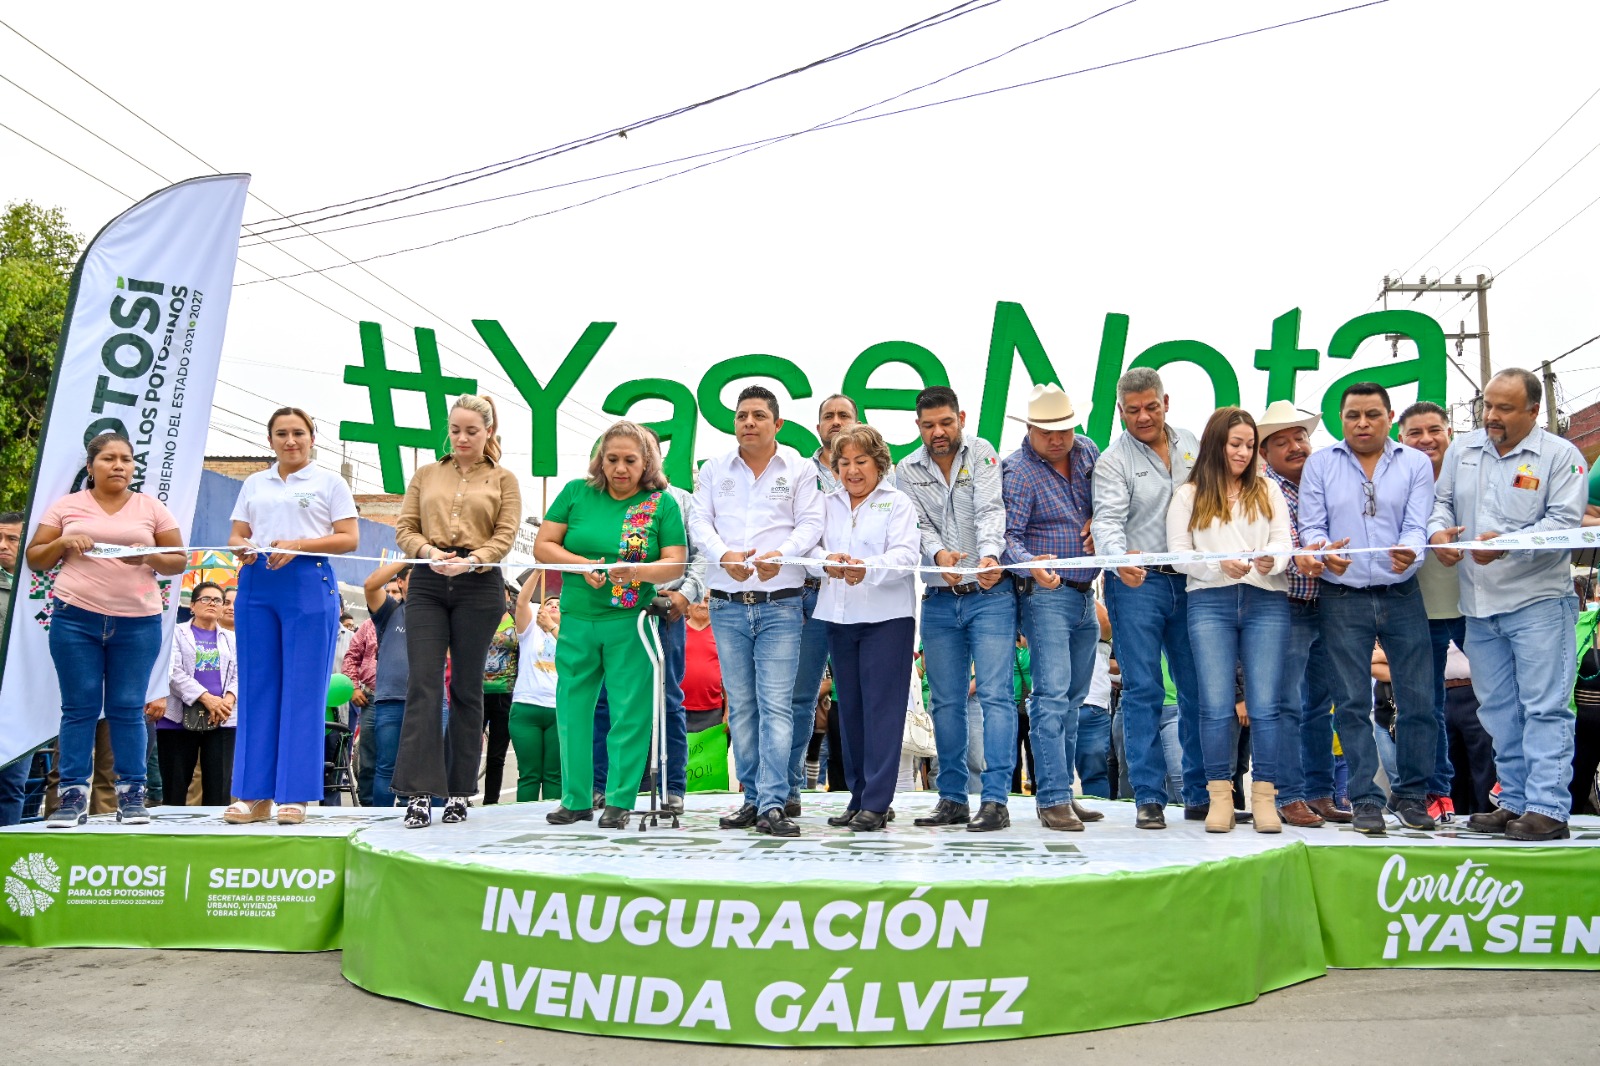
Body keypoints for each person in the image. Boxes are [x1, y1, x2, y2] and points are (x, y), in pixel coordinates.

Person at [1429, 368, 1586, 840]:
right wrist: (1438, 533)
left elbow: (1564, 524)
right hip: (1478, 606)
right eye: (1488, 405)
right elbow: (1442, 504)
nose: (1491, 416)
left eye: (1505, 408)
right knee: (1498, 711)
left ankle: (1548, 808)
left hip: (1539, 602)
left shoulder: (1560, 456)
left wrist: (1507, 545)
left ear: (1534, 411)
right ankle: (1514, 800)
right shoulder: (1463, 450)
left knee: (1544, 707)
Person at [1299, 382, 1438, 836]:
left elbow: (1417, 525)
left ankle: (1412, 796)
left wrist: (1410, 552)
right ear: (1341, 420)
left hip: (1401, 591)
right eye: (1353, 415)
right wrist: (1324, 552)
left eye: (1372, 414)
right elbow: (1311, 526)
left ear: (1390, 418)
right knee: (1351, 703)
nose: (1362, 423)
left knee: (1418, 699)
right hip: (1342, 594)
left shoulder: (1414, 462)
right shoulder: (1321, 463)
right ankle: (1364, 800)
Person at [27, 431, 186, 828]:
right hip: (74, 619)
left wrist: (147, 555)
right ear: (90, 466)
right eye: (108, 459)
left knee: (127, 707)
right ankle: (71, 797)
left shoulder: (151, 507)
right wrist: (63, 541)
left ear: (133, 467)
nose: (118, 466)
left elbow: (178, 560)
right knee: (78, 708)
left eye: (125, 460)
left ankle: (131, 795)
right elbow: (35, 558)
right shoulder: (67, 506)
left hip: (138, 623)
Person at [536, 420, 686, 828]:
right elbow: (543, 545)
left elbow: (675, 562)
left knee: (629, 714)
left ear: (646, 463)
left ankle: (619, 800)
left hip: (631, 622)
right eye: (612, 459)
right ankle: (575, 799)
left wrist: (636, 572)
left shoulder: (660, 504)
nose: (620, 468)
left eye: (630, 460)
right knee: (572, 710)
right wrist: (581, 565)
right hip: (576, 620)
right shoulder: (575, 493)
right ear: (600, 460)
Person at [687, 386, 823, 836]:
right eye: (742, 415)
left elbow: (812, 523)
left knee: (776, 706)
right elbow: (699, 521)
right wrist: (723, 554)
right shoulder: (714, 469)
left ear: (777, 424)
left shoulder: (799, 469)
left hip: (781, 604)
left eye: (759, 415)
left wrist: (782, 555)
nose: (749, 422)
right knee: (743, 707)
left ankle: (773, 802)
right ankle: (751, 799)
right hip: (726, 604)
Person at [391, 394, 521, 828]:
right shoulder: (426, 475)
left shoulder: (503, 479)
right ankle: (417, 793)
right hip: (428, 580)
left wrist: (474, 559)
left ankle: (460, 791)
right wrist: (428, 551)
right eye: (455, 430)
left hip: (479, 583)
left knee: (467, 687)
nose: (462, 438)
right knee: (423, 685)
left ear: (488, 432)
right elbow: (405, 528)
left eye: (471, 431)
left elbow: (505, 535)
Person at [226, 407, 359, 826]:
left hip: (307, 582)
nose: (290, 441)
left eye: (298, 433)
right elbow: (237, 533)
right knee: (257, 687)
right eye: (281, 433)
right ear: (270, 440)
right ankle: (252, 794)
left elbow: (349, 538)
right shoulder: (254, 482)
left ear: (312, 438)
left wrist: (299, 544)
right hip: (257, 583)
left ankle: (295, 794)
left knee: (303, 690)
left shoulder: (329, 482)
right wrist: (241, 546)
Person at [1166, 407, 1292, 833]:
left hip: (1266, 598)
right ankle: (1220, 796)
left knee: (1266, 705)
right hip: (1209, 601)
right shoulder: (1188, 494)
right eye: (1235, 443)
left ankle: (1265, 797)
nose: (1243, 452)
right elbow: (1178, 554)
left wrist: (1270, 560)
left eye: (1250, 445)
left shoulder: (1268, 489)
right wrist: (1217, 565)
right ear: (1215, 444)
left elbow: (1283, 543)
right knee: (1216, 704)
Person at [900, 386, 1017, 832]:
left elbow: (991, 510)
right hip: (939, 601)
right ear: (918, 427)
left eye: (946, 422)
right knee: (945, 701)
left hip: (990, 596)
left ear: (961, 419)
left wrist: (988, 557)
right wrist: (938, 556)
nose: (938, 432)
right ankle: (951, 798)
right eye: (929, 425)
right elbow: (917, 525)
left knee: (995, 696)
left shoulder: (982, 453)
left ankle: (995, 800)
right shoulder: (906, 469)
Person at [1092, 368, 1203, 829]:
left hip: (1194, 581)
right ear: (1121, 411)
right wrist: (1118, 560)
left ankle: (1202, 795)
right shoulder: (1112, 461)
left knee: (1198, 689)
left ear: (1166, 403)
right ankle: (1149, 798)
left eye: (1151, 407)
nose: (1143, 417)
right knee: (1144, 690)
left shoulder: (1192, 443)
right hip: (1137, 583)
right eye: (1133, 410)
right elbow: (1106, 520)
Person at [1002, 384, 1104, 831]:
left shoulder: (1088, 452)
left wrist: (1100, 521)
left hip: (1084, 594)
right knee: (1051, 697)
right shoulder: (1018, 472)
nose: (1058, 438)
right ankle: (1053, 798)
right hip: (1045, 595)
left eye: (1064, 429)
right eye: (1047, 431)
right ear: (1029, 428)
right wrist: (1031, 564)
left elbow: (1107, 504)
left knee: (1073, 699)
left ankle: (1062, 792)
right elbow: (1007, 538)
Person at [813, 424, 919, 831]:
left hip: (886, 619)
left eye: (861, 461)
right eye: (844, 463)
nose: (852, 471)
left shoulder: (897, 503)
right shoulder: (826, 504)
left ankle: (877, 801)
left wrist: (867, 568)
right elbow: (809, 546)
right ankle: (858, 797)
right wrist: (826, 560)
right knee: (850, 712)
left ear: (879, 464)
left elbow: (906, 555)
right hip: (839, 617)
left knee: (882, 712)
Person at [783, 396, 884, 818]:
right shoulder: (801, 472)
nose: (836, 421)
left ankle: (871, 796)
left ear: (858, 422)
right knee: (799, 696)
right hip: (806, 594)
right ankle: (787, 789)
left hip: (861, 597)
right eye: (829, 416)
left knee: (863, 698)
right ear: (818, 426)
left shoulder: (879, 476)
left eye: (844, 415)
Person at [1257, 400, 1348, 826]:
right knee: (1287, 705)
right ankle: (1288, 795)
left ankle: (1320, 793)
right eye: (1282, 442)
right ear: (1264, 452)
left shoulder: (1326, 480)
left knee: (1320, 707)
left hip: (1328, 603)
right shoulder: (1262, 489)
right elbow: (1273, 545)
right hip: (1285, 606)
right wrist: (1303, 559)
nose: (1296, 446)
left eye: (1300, 437)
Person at [1399, 400, 1465, 823]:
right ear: (1400, 438)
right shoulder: (1398, 482)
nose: (1426, 440)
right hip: (1419, 611)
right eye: (1415, 433)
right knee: (1427, 707)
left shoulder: (1469, 477)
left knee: (1503, 699)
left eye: (1434, 430)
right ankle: (1437, 792)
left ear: (1449, 433)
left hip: (1475, 607)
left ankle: (1515, 785)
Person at [155, 580, 238, 805]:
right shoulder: (175, 633)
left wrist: (227, 700)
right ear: (192, 605)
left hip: (222, 717)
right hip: (177, 718)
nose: (212, 603)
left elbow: (240, 673)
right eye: (205, 599)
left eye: (218, 600)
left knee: (219, 788)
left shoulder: (232, 639)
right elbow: (173, 671)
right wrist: (206, 698)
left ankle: (214, 827)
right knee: (175, 786)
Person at [0, 510, 47, 825]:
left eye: (12, 538)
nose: (2, 545)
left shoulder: (43, 585)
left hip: (23, 701)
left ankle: (7, 849)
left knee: (13, 785)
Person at [361, 559, 411, 809]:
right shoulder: (390, 610)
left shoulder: (439, 613)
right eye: (415, 576)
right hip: (391, 699)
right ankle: (379, 819)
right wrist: (411, 555)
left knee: (431, 765)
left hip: (430, 701)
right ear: (400, 582)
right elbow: (370, 585)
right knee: (386, 766)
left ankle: (429, 816)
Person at [508, 585, 561, 802]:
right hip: (526, 707)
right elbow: (521, 602)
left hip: (559, 710)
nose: (554, 606)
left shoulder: (570, 634)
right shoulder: (529, 632)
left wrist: (552, 627)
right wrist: (538, 571)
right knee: (529, 774)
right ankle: (524, 817)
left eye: (558, 605)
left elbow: (574, 654)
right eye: (549, 604)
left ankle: (553, 816)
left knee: (554, 775)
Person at [480, 589, 518, 804]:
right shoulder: (477, 619)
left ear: (508, 597)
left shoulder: (516, 623)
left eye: (502, 593)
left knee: (497, 755)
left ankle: (490, 801)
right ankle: (462, 796)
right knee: (469, 751)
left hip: (505, 694)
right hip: (477, 694)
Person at [1076, 603, 1114, 800]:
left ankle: (1098, 812)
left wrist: (1083, 589)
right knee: (1051, 776)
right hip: (1053, 705)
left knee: (1095, 775)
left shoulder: (1097, 617)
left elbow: (1105, 624)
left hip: (1092, 705)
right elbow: (1025, 640)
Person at [682, 595, 724, 734]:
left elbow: (730, 677)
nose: (702, 605)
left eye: (707, 600)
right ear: (687, 605)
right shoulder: (676, 632)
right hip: (678, 708)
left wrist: (729, 711)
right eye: (697, 600)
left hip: (712, 711)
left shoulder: (722, 634)